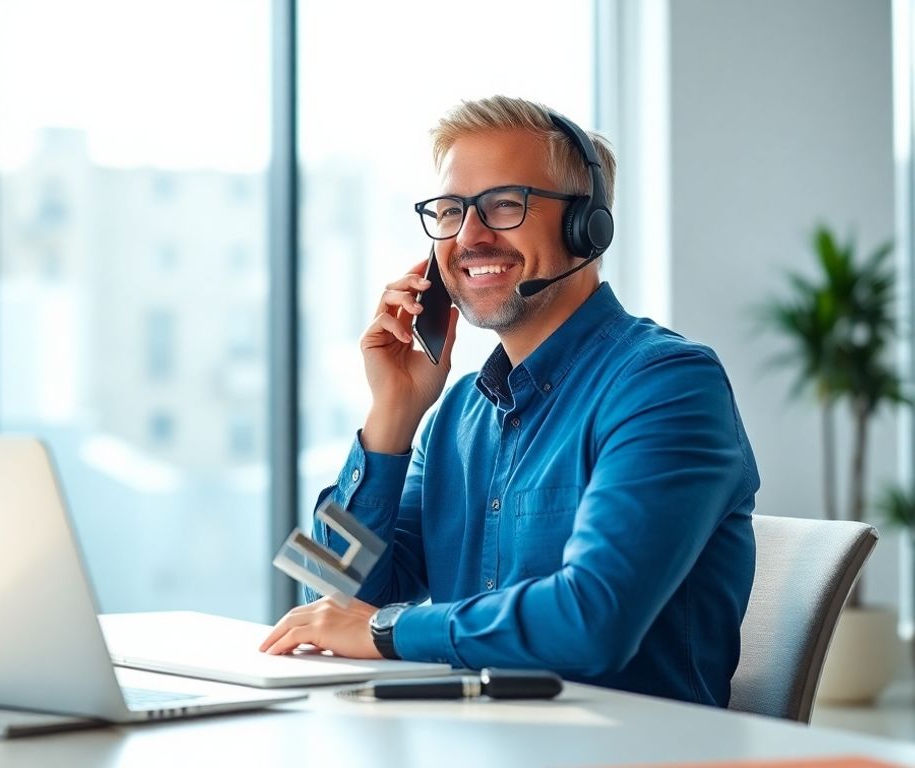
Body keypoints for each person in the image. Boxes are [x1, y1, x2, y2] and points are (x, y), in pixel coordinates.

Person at [258, 95, 760, 707]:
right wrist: (388, 420)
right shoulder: (455, 416)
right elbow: (322, 596)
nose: (469, 236)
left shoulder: (667, 384)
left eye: (503, 205)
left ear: (587, 227)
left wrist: (385, 630)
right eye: (449, 211)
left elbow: (592, 620)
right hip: (476, 744)